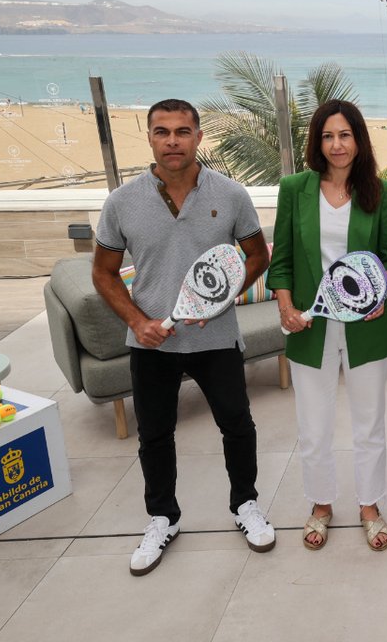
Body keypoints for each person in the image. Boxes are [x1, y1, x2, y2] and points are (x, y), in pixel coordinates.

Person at [92, 98, 275, 576]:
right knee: (154, 436)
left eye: (182, 131)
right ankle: (162, 518)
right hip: (152, 344)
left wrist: (224, 297)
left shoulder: (231, 194)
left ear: (198, 137)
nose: (172, 140)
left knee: (237, 426)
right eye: (162, 132)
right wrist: (137, 322)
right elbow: (105, 274)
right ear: (149, 137)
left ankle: (245, 505)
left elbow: (256, 256)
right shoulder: (121, 202)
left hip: (217, 339)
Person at [268, 100, 387, 553]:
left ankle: (369, 506)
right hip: (310, 327)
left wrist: (380, 292)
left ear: (358, 140)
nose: (337, 144)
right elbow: (280, 258)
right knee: (314, 424)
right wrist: (284, 305)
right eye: (328, 136)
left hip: (365, 327)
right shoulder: (294, 189)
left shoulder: (380, 191)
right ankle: (321, 505)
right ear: (316, 142)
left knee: (369, 424)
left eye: (345, 135)